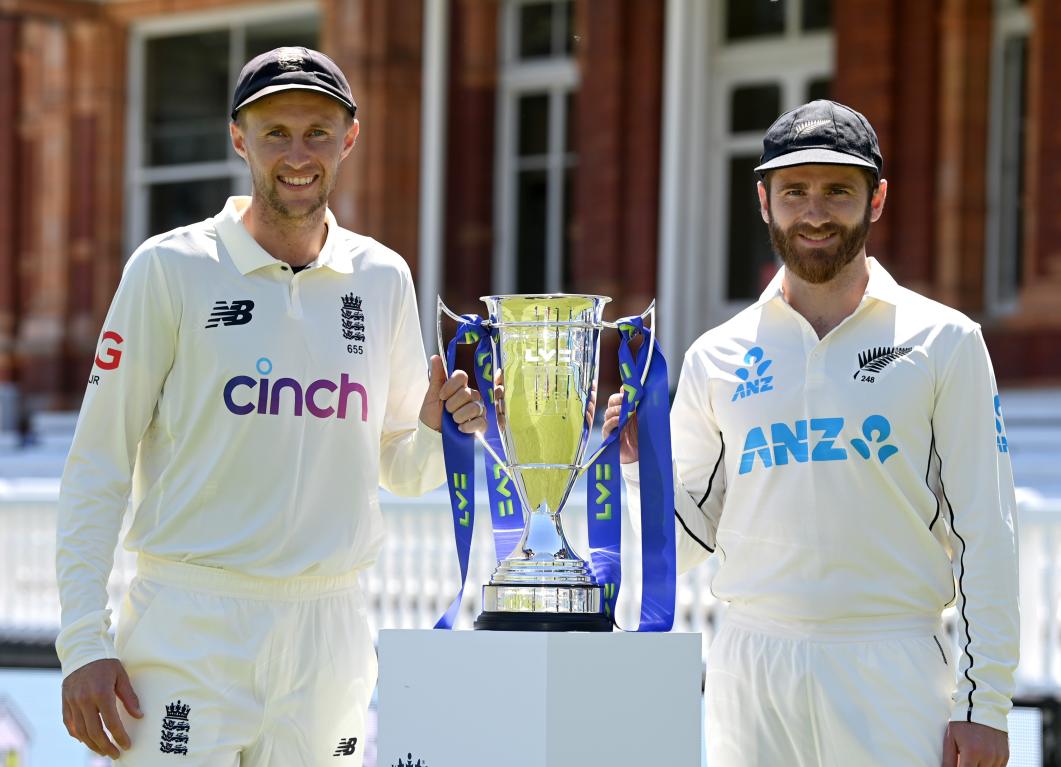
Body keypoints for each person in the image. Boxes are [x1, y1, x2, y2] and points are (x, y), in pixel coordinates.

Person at [56, 46, 485, 765]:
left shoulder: (383, 277)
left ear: (349, 138)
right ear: (238, 138)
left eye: (317, 131)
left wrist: (445, 431)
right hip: (190, 624)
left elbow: (401, 469)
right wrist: (81, 641)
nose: (297, 154)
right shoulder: (170, 268)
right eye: (275, 132)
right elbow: (97, 463)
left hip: (331, 632)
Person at [604, 100, 1018, 767]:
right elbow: (680, 545)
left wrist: (984, 703)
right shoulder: (717, 353)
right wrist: (636, 465)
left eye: (838, 191)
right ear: (764, 201)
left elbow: (986, 532)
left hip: (893, 662)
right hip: (749, 663)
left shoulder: (945, 340)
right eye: (794, 191)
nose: (815, 212)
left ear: (875, 199)